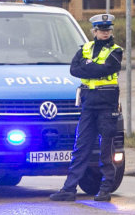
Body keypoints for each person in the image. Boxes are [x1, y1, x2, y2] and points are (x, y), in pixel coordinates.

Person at [50, 14, 124, 202]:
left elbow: (107, 69)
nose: (105, 33)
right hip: (88, 104)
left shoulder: (116, 51)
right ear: (94, 32)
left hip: (107, 104)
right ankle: (69, 189)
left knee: (106, 148)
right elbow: (74, 69)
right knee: (81, 146)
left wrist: (88, 66)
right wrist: (93, 66)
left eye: (108, 30)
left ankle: (105, 188)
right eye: (101, 30)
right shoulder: (85, 48)